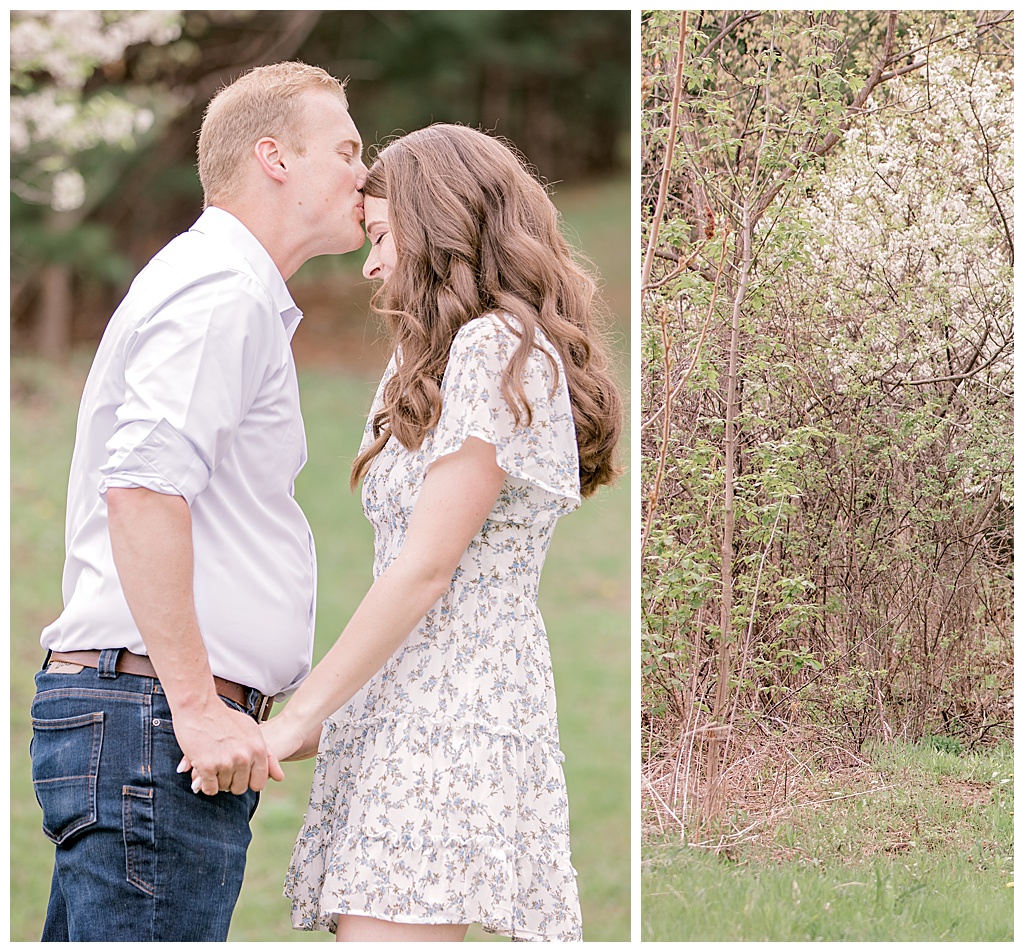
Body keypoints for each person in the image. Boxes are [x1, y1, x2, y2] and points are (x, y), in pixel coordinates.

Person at [29, 62, 368, 941]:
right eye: (346, 149)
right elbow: (142, 487)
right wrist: (194, 705)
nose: (364, 174)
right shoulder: (224, 292)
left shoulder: (227, 288)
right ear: (274, 158)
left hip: (145, 727)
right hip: (156, 729)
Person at [262, 124, 621, 942]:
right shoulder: (424, 363)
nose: (370, 264)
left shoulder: (498, 348)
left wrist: (295, 718)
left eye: (382, 236)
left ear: (437, 229)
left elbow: (426, 570)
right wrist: (325, 717)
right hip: (402, 695)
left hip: (454, 705)